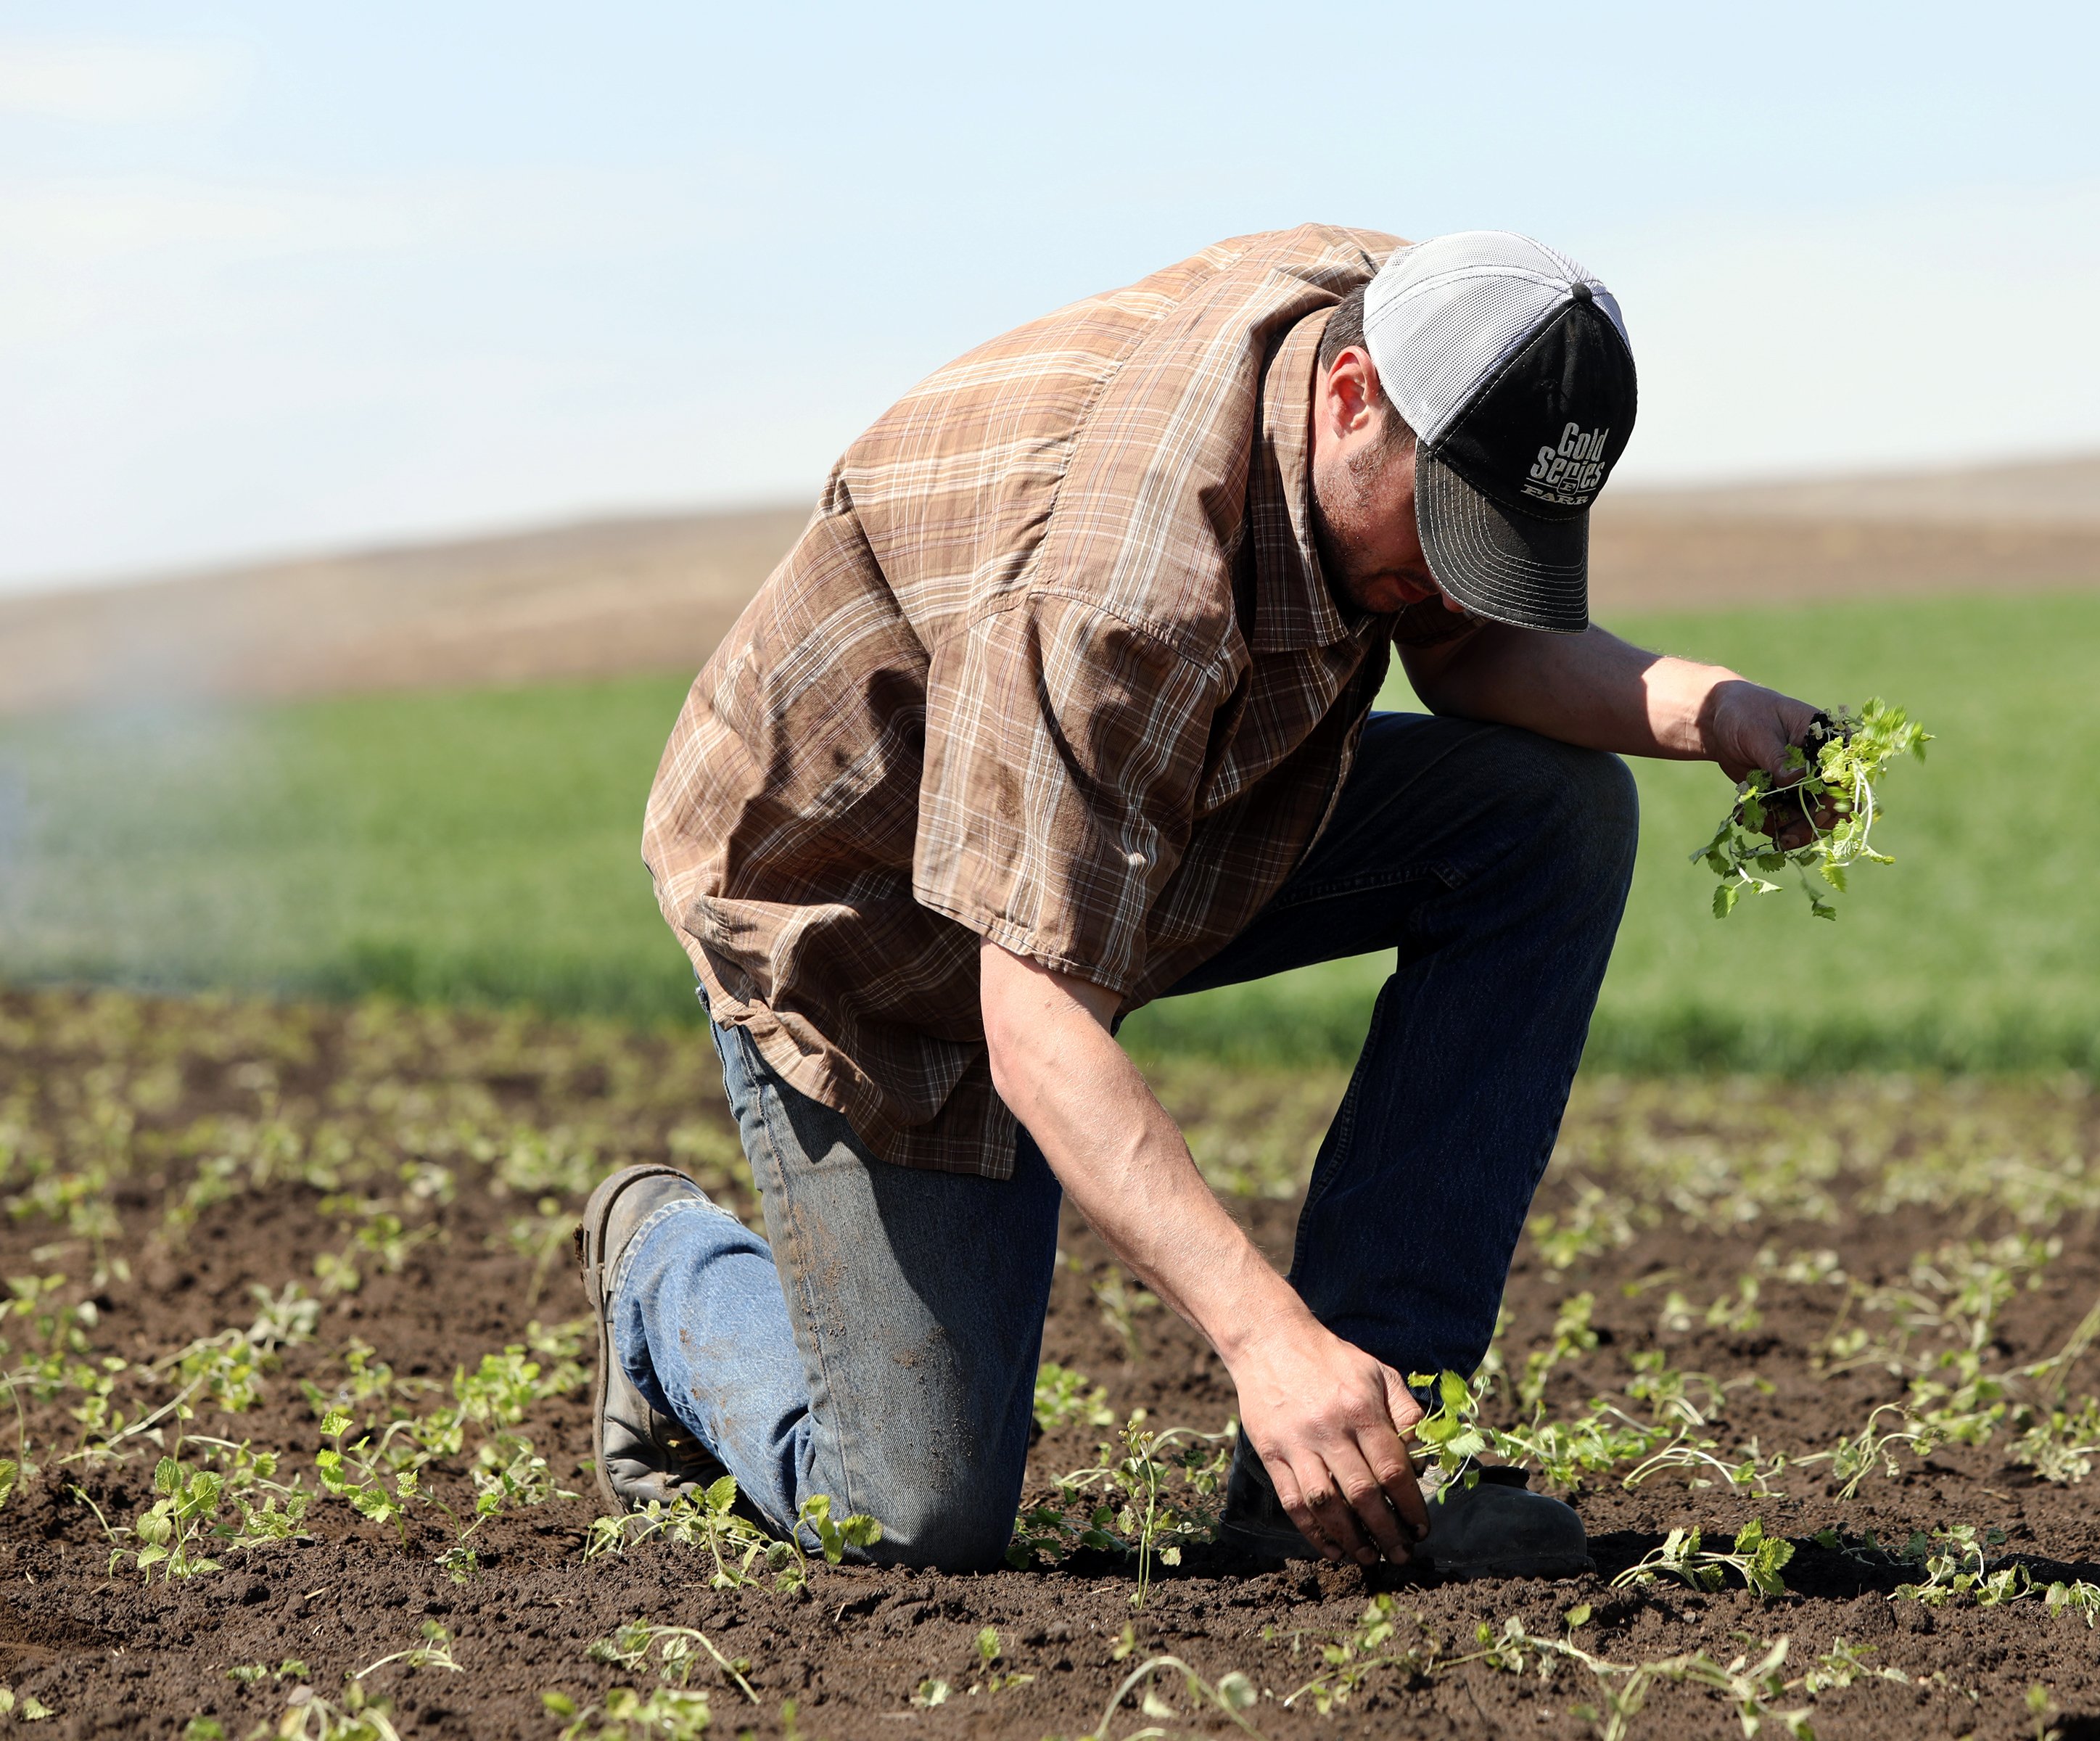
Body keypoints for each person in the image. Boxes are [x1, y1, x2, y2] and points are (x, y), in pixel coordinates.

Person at [579, 226, 1826, 1577]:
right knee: (913, 1512)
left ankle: (1367, 1458)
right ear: (1349, 399)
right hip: (865, 915)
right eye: (1449, 526)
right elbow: (1035, 1020)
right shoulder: (1122, 585)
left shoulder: (1442, 336)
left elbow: (1468, 654)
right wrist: (1267, 1343)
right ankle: (664, 1268)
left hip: (1153, 813)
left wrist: (1714, 711)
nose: (1463, 576)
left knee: (1551, 818)